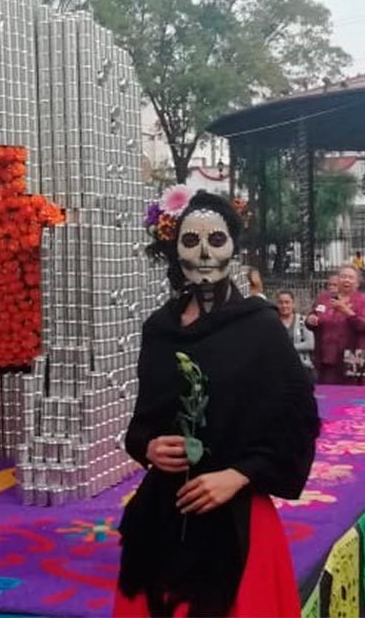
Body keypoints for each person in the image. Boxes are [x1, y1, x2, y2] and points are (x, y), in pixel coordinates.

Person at [117, 191, 319, 617]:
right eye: (192, 242)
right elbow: (141, 422)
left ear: (234, 247)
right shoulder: (159, 329)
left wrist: (239, 475)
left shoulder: (260, 327)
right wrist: (147, 446)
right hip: (164, 517)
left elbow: (299, 423)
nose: (205, 253)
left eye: (217, 239)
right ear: (174, 250)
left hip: (236, 518)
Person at [306, 265, 365, 385]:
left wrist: (346, 311)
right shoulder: (324, 298)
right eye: (343, 276)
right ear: (337, 280)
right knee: (327, 393)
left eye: (351, 277)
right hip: (326, 356)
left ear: (357, 283)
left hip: (354, 356)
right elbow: (312, 317)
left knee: (353, 396)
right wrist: (310, 320)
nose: (346, 280)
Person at [276, 290, 315, 377]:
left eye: (287, 302)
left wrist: (287, 348)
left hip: (302, 367)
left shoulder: (303, 320)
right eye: (280, 303)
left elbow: (310, 344)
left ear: (293, 304)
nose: (284, 305)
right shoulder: (273, 322)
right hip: (278, 368)